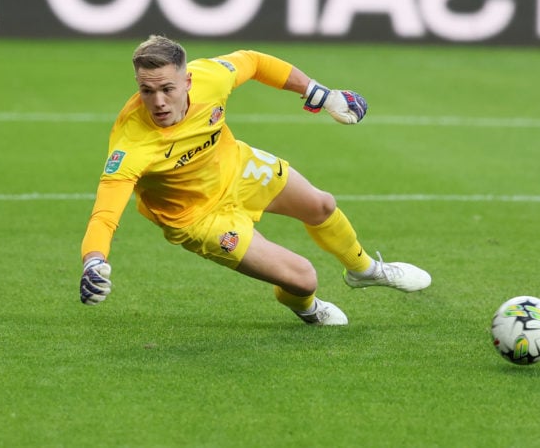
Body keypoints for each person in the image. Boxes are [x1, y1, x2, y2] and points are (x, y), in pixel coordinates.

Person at [79, 35, 431, 326]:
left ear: (187, 81)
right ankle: (307, 309)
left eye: (167, 89)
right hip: (199, 218)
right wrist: (94, 261)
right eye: (146, 91)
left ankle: (364, 270)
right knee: (304, 278)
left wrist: (321, 94)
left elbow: (254, 61)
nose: (158, 102)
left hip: (235, 167)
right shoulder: (131, 145)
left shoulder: (210, 77)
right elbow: (105, 214)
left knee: (320, 204)